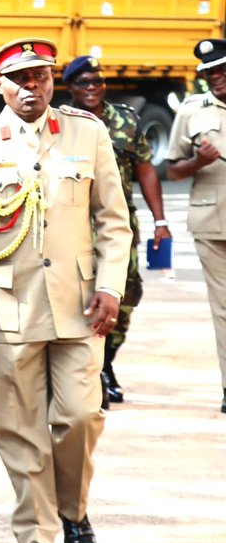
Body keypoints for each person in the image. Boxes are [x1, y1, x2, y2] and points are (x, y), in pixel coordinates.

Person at [0, 38, 131, 543]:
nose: (34, 88)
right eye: (21, 80)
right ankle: (36, 537)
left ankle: (72, 508)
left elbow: (113, 222)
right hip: (7, 306)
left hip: (79, 304)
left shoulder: (87, 131)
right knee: (20, 426)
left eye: (42, 78)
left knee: (80, 415)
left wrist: (113, 288)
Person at [62, 55, 170, 407]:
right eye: (84, 83)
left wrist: (161, 221)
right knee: (79, 299)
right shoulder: (60, 123)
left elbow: (145, 170)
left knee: (126, 298)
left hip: (120, 226)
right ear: (70, 89)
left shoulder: (125, 119)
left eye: (98, 81)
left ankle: (105, 364)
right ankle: (92, 373)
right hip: (74, 229)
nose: (92, 88)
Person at [166, 38, 226, 414]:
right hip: (212, 221)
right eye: (208, 73)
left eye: (221, 70)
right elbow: (173, 169)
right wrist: (198, 162)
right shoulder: (191, 111)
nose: (215, 78)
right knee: (224, 309)